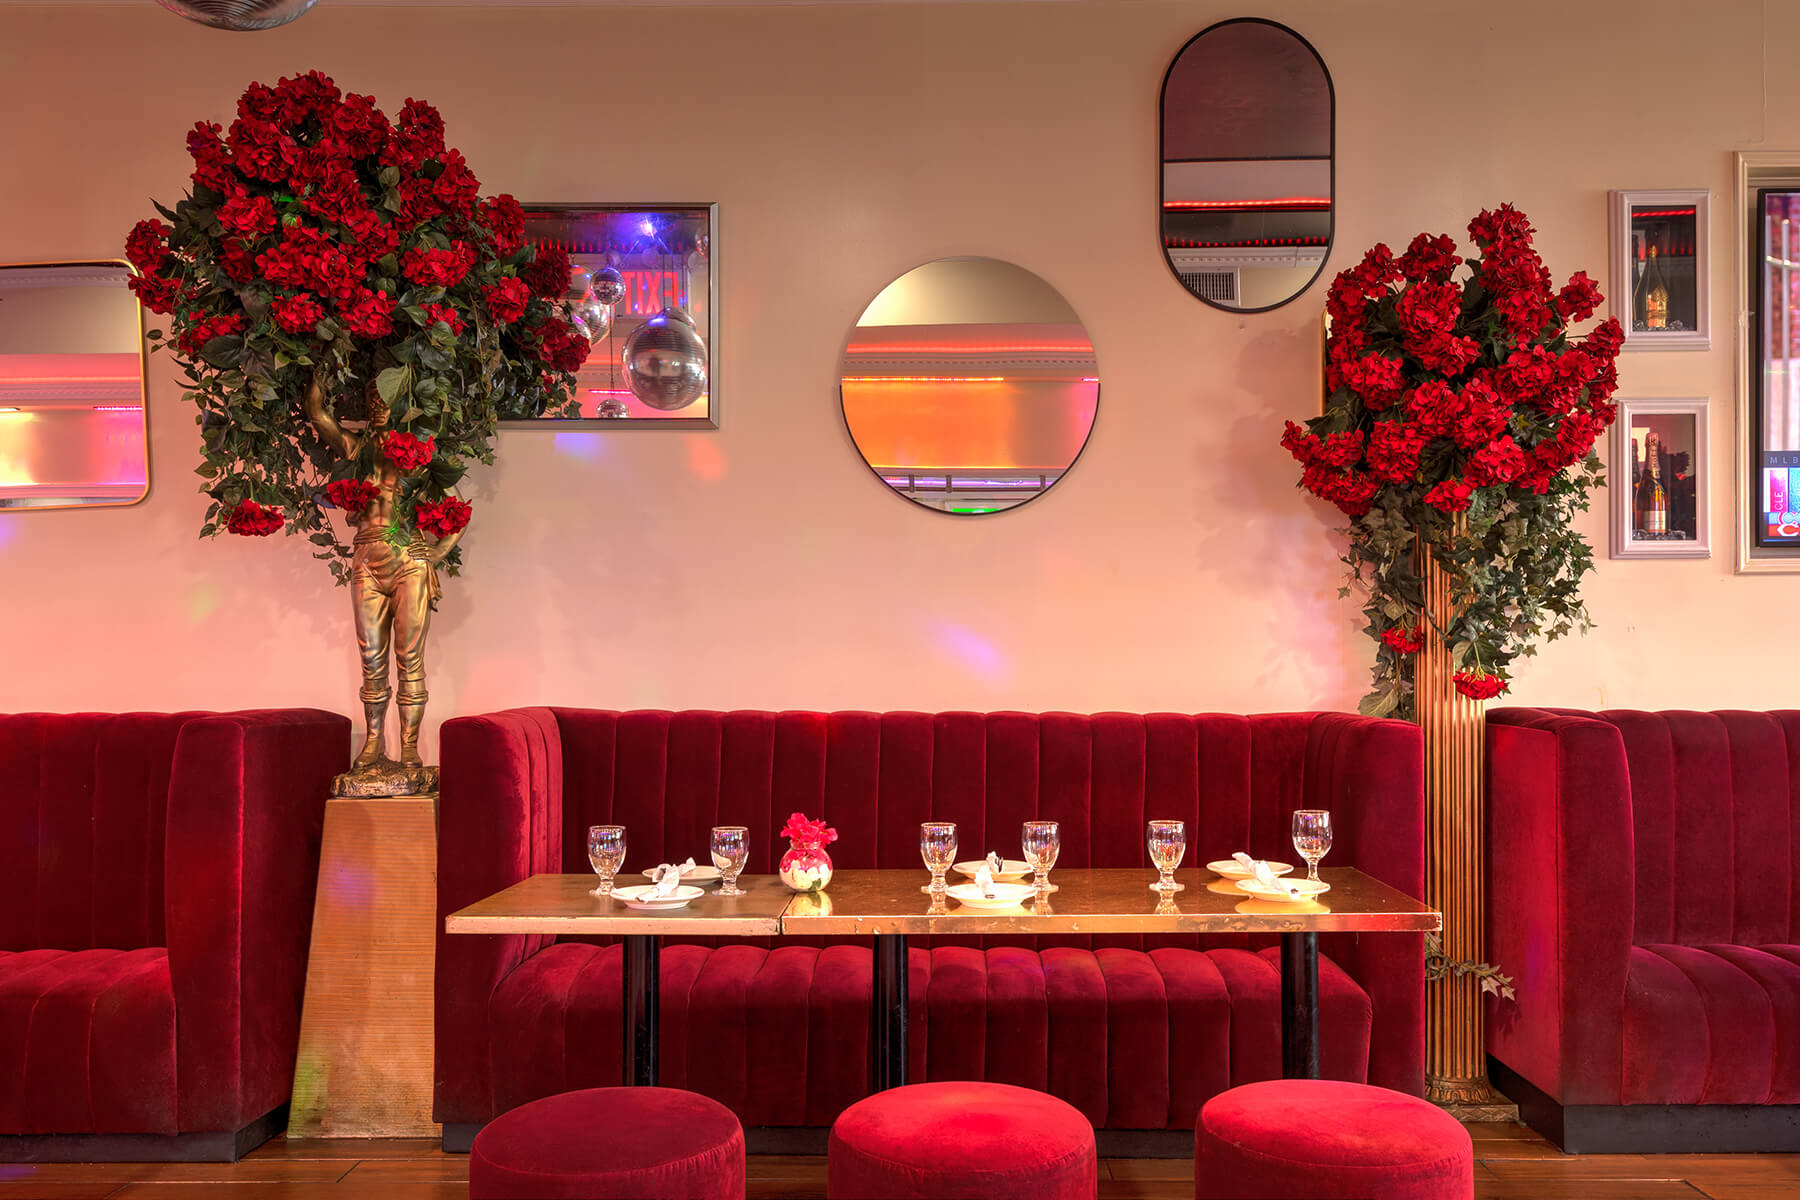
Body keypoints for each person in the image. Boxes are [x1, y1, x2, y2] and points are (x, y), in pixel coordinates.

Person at [304, 375, 463, 772]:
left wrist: (436, 552)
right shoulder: (356, 449)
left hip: (408, 560)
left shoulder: (419, 453)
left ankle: (409, 748)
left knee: (410, 657)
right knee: (371, 657)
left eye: (385, 398)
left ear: (401, 403)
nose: (377, 405)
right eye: (371, 398)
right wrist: (320, 372)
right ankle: (374, 742)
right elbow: (318, 415)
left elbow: (458, 509)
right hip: (366, 557)